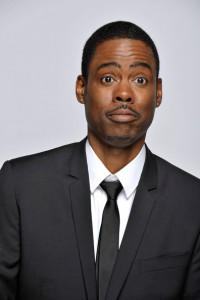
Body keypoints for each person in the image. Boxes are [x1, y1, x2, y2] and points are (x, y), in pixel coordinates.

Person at [0, 21, 200, 300]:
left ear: (158, 93)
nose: (124, 93)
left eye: (140, 80)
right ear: (81, 88)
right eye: (108, 78)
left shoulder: (193, 202)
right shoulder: (20, 186)